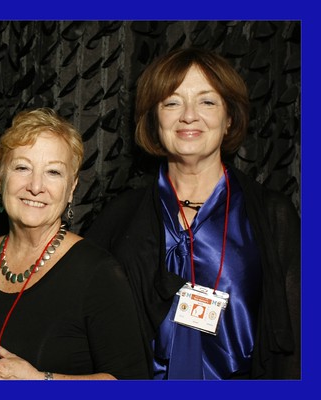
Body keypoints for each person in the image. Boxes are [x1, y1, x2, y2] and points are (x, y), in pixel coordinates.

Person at [86, 47, 300, 379]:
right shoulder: (118, 218)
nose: (189, 116)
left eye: (207, 102)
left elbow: (298, 343)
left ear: (229, 119)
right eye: (172, 102)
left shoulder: (273, 216)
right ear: (154, 119)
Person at [0, 107, 149, 380]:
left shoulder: (98, 273)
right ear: (0, 179)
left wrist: (41, 382)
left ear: (72, 188)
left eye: (53, 172)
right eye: (22, 167)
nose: (35, 186)